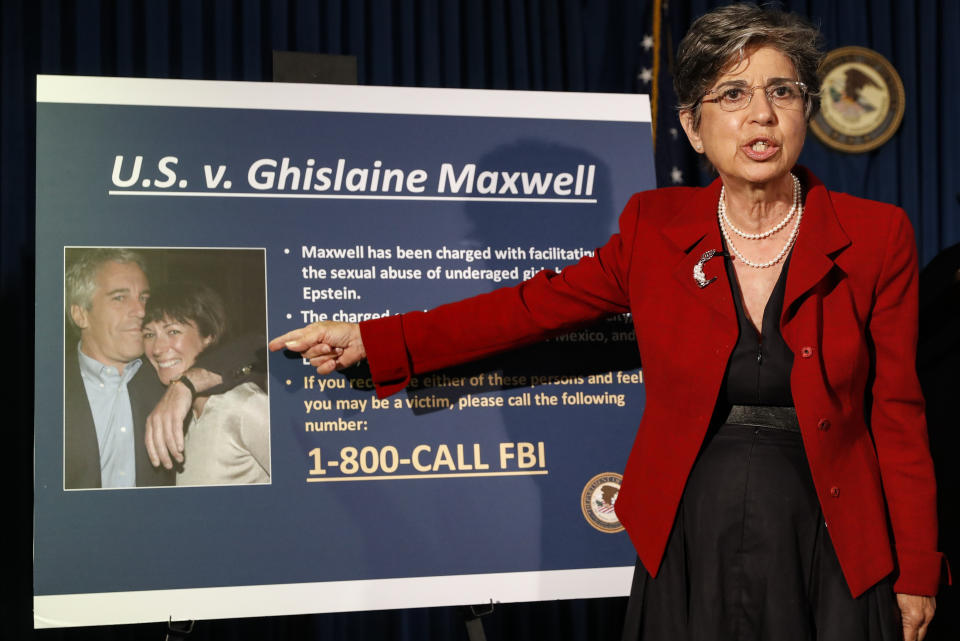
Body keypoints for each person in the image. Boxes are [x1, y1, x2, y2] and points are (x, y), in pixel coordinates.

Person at [269, 5, 946, 640]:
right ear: (692, 126)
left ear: (805, 109)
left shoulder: (876, 235)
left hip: (832, 534)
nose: (760, 116)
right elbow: (527, 308)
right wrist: (373, 337)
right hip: (688, 526)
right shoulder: (655, 228)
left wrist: (917, 568)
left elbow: (898, 413)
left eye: (782, 92)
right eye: (733, 95)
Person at [64, 248, 263, 488]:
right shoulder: (48, 386)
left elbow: (258, 347)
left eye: (144, 298)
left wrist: (187, 384)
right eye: (119, 297)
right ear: (80, 314)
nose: (140, 311)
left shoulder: (168, 375)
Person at [141, 282, 270, 485]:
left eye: (173, 331)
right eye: (149, 334)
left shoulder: (245, 406)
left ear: (209, 335)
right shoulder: (185, 414)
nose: (157, 348)